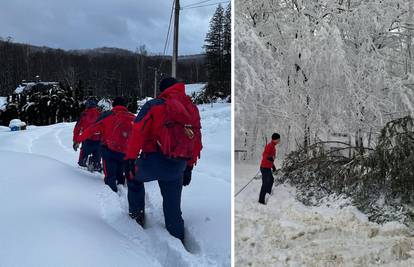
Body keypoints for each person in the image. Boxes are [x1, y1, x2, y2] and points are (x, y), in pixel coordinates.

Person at [125, 77, 202, 241]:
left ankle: (137, 216)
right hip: (178, 166)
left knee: (133, 178)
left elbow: (137, 131)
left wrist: (130, 158)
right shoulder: (191, 108)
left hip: (152, 161)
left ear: (163, 90)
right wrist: (189, 167)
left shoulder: (154, 105)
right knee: (173, 205)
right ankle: (177, 235)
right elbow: (196, 140)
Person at [75, 97, 135, 193]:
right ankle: (121, 186)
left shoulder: (106, 115)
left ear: (114, 105)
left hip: (109, 151)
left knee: (110, 176)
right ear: (125, 105)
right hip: (125, 152)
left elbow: (91, 129)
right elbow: (140, 134)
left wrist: (78, 139)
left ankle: (113, 195)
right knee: (120, 172)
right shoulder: (132, 117)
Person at [73, 98, 102, 170]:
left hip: (86, 140)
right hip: (99, 141)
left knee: (82, 163)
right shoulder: (100, 114)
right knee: (97, 164)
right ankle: (96, 165)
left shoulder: (84, 114)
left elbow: (77, 128)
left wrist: (76, 140)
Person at [259, 133, 280, 205]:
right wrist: (269, 158)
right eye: (278, 139)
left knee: (271, 180)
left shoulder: (273, 146)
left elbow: (271, 158)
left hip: (267, 167)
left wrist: (273, 166)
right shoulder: (270, 146)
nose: (279, 141)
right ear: (275, 139)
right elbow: (264, 155)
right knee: (265, 183)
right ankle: (261, 200)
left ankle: (268, 193)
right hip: (265, 168)